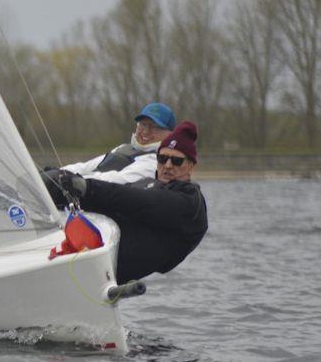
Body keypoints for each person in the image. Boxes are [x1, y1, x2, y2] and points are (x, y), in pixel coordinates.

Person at [44, 121, 208, 284]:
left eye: (176, 161)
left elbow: (139, 202)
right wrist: (63, 183)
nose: (168, 165)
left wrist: (87, 187)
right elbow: (114, 204)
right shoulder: (151, 185)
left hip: (102, 271)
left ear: (191, 166)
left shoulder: (191, 203)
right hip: (87, 259)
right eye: (162, 158)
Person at [59, 102, 176, 184]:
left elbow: (118, 179)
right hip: (87, 190)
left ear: (169, 134)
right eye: (143, 124)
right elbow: (86, 166)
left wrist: (75, 181)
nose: (145, 131)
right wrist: (58, 173)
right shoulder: (124, 148)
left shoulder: (158, 161)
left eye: (154, 127)